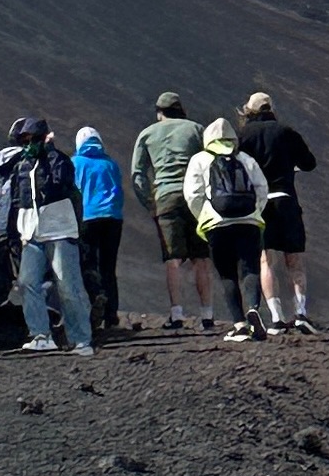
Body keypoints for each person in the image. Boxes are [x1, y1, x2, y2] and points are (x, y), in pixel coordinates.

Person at [0, 117, 94, 356]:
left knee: (68, 284)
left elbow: (61, 186)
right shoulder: (21, 166)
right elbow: (16, 200)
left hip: (59, 229)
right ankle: (40, 334)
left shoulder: (59, 161)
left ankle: (81, 339)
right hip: (30, 231)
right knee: (27, 281)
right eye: (25, 140)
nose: (29, 144)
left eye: (33, 139)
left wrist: (47, 156)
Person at [235, 92, 319, 334]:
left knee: (266, 260)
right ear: (271, 108)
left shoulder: (243, 136)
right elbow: (309, 163)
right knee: (295, 259)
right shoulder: (287, 132)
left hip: (259, 204)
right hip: (286, 199)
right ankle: (301, 314)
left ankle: (275, 318)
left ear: (248, 110)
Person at [130, 91, 215, 329]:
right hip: (194, 197)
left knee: (172, 258)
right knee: (201, 257)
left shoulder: (146, 134)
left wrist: (149, 202)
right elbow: (210, 162)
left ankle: (177, 314)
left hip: (165, 198)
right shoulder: (196, 129)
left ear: (159, 112)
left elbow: (138, 175)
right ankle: (207, 314)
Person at [182, 116, 270, 342]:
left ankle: (240, 325)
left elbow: (193, 194)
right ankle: (253, 308)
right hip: (248, 222)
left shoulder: (200, 160)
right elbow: (262, 188)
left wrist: (204, 217)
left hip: (217, 225)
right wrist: (255, 212)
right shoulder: (245, 159)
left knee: (227, 274)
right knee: (250, 269)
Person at [71, 127, 126, 332]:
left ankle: (94, 305)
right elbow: (118, 191)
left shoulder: (75, 163)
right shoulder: (110, 163)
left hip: (87, 217)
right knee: (109, 267)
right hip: (112, 218)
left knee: (88, 264)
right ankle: (112, 316)